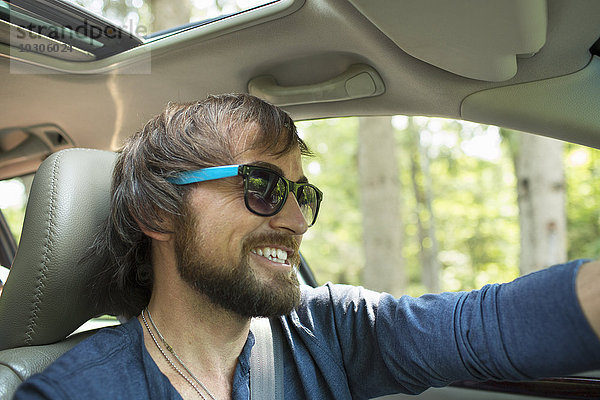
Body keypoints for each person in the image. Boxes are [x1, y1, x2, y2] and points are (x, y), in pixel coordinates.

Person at [15, 93, 600, 399]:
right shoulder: (71, 392)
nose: (296, 219)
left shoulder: (332, 333)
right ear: (156, 213)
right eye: (264, 186)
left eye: (303, 194)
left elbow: (484, 326)